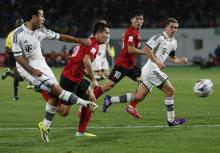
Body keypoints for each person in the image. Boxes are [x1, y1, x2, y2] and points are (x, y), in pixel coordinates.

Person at [11, 5, 97, 143]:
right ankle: (86, 103)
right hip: (26, 67)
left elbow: (61, 37)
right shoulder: (17, 34)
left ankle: (44, 126)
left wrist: (81, 41)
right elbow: (18, 57)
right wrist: (32, 70)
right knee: (55, 88)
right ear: (34, 17)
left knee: (54, 95)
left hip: (41, 63)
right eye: (41, 16)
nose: (44, 19)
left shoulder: (41, 31)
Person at [103, 18, 188, 127]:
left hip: (151, 70)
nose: (174, 29)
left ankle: (110, 100)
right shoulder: (159, 37)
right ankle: (171, 120)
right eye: (171, 27)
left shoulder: (173, 42)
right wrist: (157, 61)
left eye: (176, 27)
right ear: (166, 27)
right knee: (170, 91)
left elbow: (172, 58)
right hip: (152, 69)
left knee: (139, 96)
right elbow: (147, 49)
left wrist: (180, 61)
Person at [56, 22, 110, 137]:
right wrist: (94, 80)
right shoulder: (94, 45)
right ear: (98, 33)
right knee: (64, 112)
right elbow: (86, 61)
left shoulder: (90, 42)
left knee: (91, 98)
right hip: (69, 79)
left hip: (77, 77)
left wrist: (90, 77)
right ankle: (48, 94)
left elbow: (81, 64)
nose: (107, 36)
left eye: (108, 34)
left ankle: (81, 132)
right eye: (106, 33)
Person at [93, 10, 145, 119]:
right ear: (132, 20)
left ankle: (129, 106)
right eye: (137, 19)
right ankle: (87, 101)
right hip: (122, 66)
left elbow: (126, 38)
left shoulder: (134, 32)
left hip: (131, 65)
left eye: (141, 19)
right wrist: (146, 52)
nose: (139, 21)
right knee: (108, 86)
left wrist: (124, 38)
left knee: (145, 84)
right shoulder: (131, 32)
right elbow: (130, 50)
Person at [2, 18, 24, 101]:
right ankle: (15, 96)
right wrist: (16, 52)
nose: (20, 24)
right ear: (16, 24)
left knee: (21, 78)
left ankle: (8, 73)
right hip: (13, 58)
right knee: (18, 76)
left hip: (22, 58)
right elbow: (7, 48)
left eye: (21, 23)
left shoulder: (26, 34)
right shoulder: (11, 34)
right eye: (18, 23)